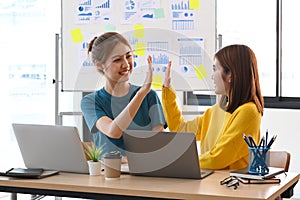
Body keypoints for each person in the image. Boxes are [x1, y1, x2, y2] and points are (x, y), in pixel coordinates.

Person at [162, 44, 264, 170]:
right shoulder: (216, 110)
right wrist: (167, 89)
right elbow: (180, 129)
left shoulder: (249, 112)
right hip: (209, 182)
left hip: (230, 186)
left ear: (230, 75)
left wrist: (178, 162)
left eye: (216, 69)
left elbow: (218, 158)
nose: (212, 76)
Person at [81, 32, 166, 159]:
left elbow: (158, 141)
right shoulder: (91, 102)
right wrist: (140, 94)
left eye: (129, 56)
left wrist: (135, 160)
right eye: (117, 59)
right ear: (100, 65)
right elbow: (113, 131)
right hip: (109, 173)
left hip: (144, 170)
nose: (126, 64)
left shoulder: (150, 96)